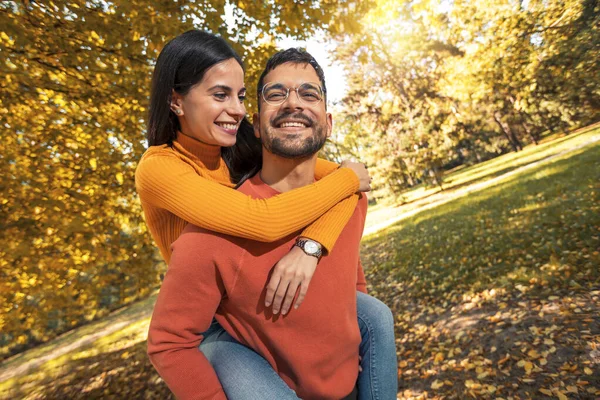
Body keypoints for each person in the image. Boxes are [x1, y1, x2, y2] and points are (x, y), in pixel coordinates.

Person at [136, 30, 397, 398]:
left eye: (241, 96)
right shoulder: (159, 168)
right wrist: (348, 180)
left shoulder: (233, 149)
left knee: (375, 317)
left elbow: (340, 185)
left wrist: (315, 242)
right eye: (220, 94)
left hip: (252, 293)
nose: (237, 110)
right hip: (213, 316)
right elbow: (262, 219)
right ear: (175, 101)